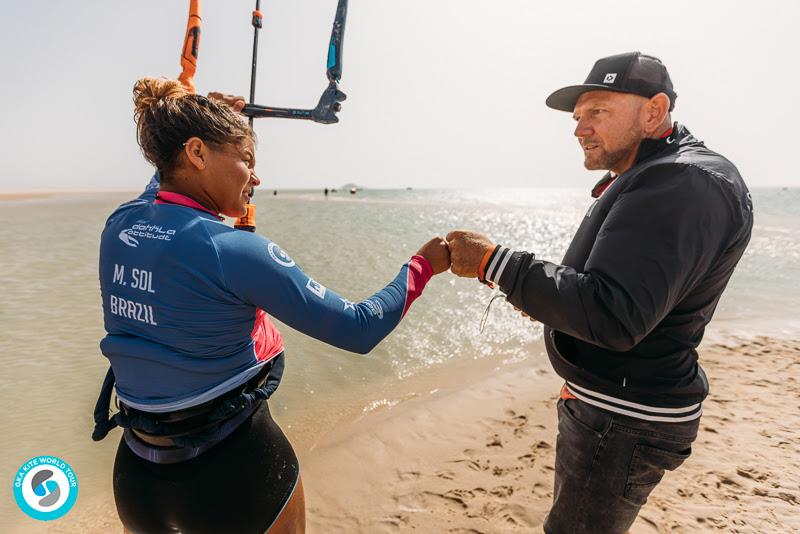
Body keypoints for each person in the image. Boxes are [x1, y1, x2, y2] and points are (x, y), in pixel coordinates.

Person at [92, 77, 450, 534]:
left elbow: (162, 181)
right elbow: (359, 329)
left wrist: (200, 115)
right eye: (247, 160)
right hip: (236, 475)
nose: (256, 178)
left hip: (138, 480)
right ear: (197, 154)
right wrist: (421, 266)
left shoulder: (120, 224)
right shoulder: (233, 250)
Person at [446, 52, 753, 533]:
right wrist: (552, 307)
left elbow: (615, 316)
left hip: (623, 419)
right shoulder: (661, 172)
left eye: (598, 112)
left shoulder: (680, 182)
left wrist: (493, 263)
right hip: (613, 404)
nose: (579, 129)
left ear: (653, 111)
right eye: (577, 117)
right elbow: (616, 293)